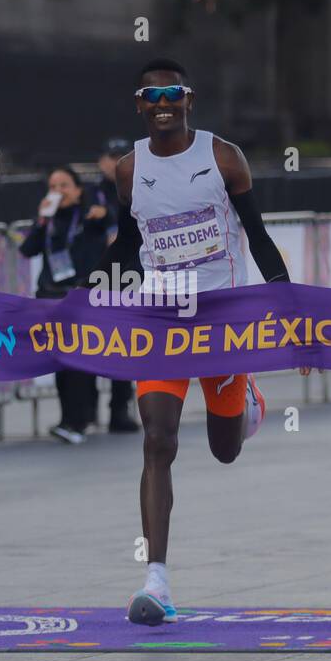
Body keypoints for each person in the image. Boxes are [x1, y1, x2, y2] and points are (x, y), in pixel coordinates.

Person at [92, 57, 309, 626]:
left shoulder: (221, 157)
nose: (162, 101)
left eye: (172, 92)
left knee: (224, 448)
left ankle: (248, 402)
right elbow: (128, 246)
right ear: (139, 105)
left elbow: (257, 237)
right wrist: (80, 294)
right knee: (157, 441)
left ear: (188, 99)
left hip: (223, 320)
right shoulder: (128, 171)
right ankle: (156, 580)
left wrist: (291, 314)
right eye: (150, 94)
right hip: (161, 320)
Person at [19, 165, 110, 445]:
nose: (58, 192)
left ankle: (80, 420)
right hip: (50, 296)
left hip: (80, 297)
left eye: (64, 186)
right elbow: (27, 249)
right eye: (53, 186)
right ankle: (67, 419)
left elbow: (108, 224)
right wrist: (41, 221)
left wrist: (103, 215)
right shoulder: (50, 222)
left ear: (78, 190)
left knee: (79, 361)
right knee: (58, 360)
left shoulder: (87, 216)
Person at [94, 137, 140, 433]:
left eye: (123, 156)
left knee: (124, 344)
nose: (118, 162)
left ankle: (120, 408)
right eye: (113, 157)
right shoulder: (91, 194)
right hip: (100, 275)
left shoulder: (139, 188)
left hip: (129, 276)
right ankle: (82, 411)